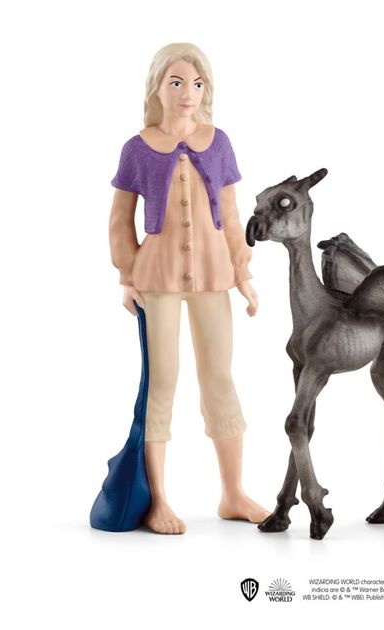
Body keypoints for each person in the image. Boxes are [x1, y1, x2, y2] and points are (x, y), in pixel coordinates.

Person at [107, 42, 269, 534]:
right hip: (156, 279)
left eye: (197, 84)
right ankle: (158, 500)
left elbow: (232, 214)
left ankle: (233, 493)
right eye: (176, 82)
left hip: (213, 275)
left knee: (219, 377)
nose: (187, 93)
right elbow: (120, 219)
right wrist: (126, 275)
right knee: (162, 381)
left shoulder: (218, 143)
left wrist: (243, 273)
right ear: (157, 88)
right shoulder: (137, 148)